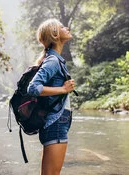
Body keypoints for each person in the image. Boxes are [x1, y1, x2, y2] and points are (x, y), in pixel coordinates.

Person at [27, 18, 75, 175]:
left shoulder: (55, 60)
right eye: (62, 27)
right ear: (55, 35)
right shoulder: (53, 61)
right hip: (55, 124)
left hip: (57, 123)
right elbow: (33, 88)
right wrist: (62, 89)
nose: (66, 28)